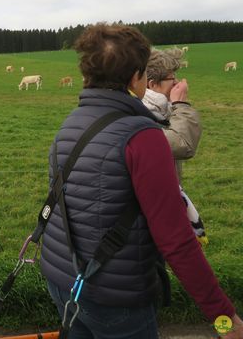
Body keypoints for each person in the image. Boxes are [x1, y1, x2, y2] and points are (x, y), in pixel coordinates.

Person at [39, 24, 242, 338]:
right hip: (116, 298)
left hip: (62, 280)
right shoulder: (144, 137)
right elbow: (176, 241)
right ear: (136, 78)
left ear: (86, 74)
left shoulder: (71, 122)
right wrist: (224, 319)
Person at [143, 48, 207, 245]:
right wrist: (181, 103)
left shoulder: (159, 111)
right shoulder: (141, 115)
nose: (178, 83)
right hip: (147, 216)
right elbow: (183, 144)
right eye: (172, 78)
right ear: (152, 84)